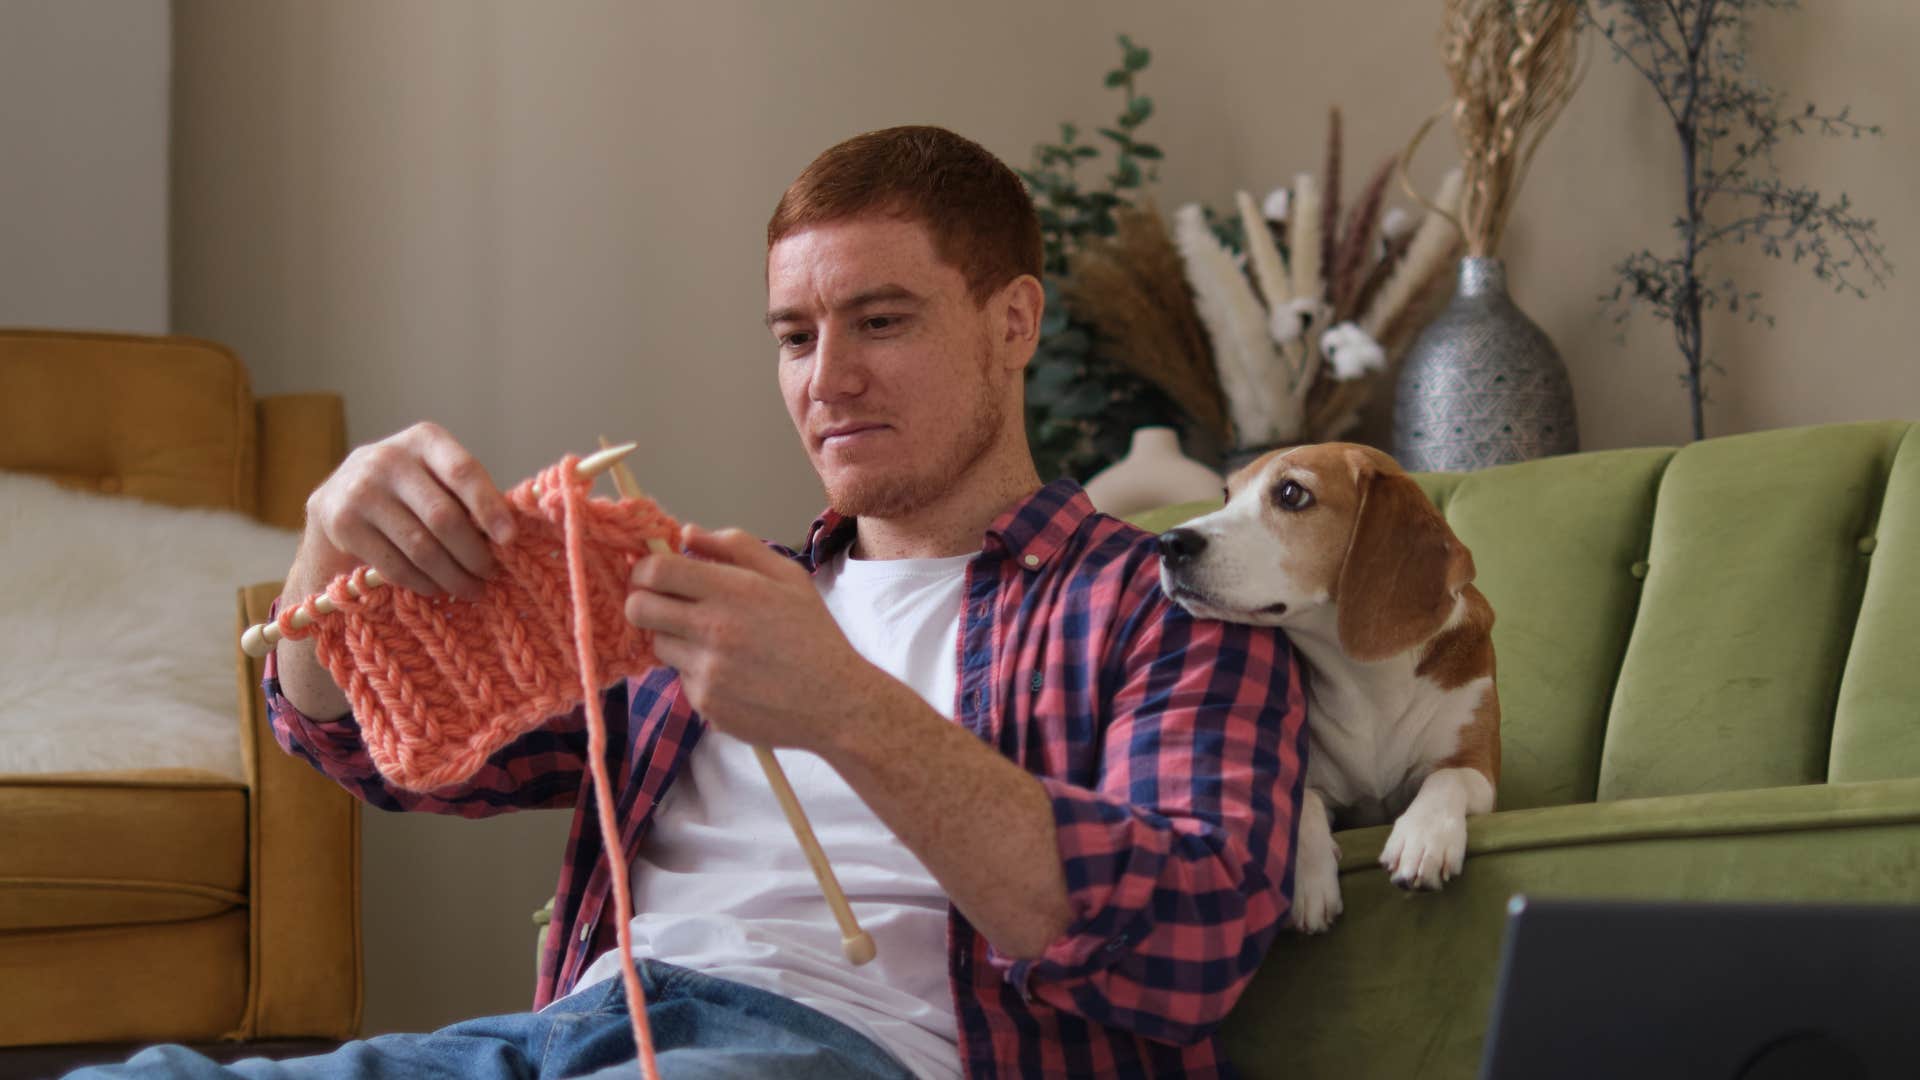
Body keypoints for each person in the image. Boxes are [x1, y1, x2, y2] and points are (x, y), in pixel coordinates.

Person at [74, 126, 1308, 1080]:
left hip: (842, 1051)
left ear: (1012, 322)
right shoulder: (707, 593)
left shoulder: (1156, 606)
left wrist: (846, 709)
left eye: (882, 320)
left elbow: (1188, 941)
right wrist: (326, 555)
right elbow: (379, 757)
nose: (828, 379)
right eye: (792, 335)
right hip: (562, 1036)